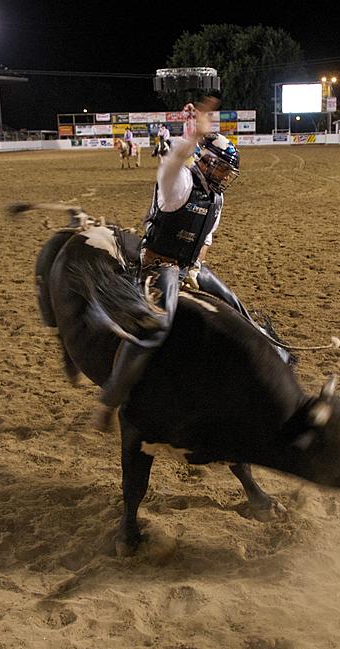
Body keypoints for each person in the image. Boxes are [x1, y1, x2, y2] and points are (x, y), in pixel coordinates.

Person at [95, 98, 244, 429]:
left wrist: (193, 268)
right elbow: (175, 158)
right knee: (156, 325)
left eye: (227, 172)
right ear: (205, 162)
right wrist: (192, 137)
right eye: (221, 168)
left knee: (233, 303)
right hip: (158, 266)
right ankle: (111, 399)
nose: (224, 176)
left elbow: (205, 239)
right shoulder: (180, 183)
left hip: (188, 267)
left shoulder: (216, 198)